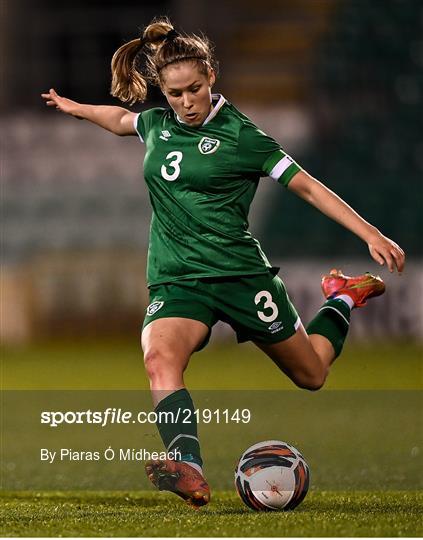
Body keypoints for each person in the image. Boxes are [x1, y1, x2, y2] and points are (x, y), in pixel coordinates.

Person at [41, 17, 405, 508]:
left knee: (311, 374)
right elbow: (122, 119)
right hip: (177, 279)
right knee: (158, 358)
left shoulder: (244, 137)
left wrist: (370, 233)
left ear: (212, 76)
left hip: (239, 276)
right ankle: (188, 465)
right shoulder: (158, 124)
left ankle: (341, 297)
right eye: (174, 94)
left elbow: (307, 187)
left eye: (194, 89)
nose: (185, 102)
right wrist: (76, 108)